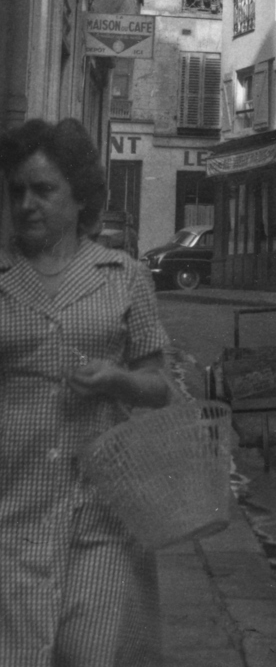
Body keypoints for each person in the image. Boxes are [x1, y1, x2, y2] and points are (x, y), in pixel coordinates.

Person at [0, 118, 174, 666]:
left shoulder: (123, 276)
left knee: (89, 656)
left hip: (100, 515)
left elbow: (161, 387)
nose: (27, 203)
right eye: (17, 191)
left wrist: (119, 380)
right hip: (11, 515)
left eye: (44, 189)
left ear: (79, 199)